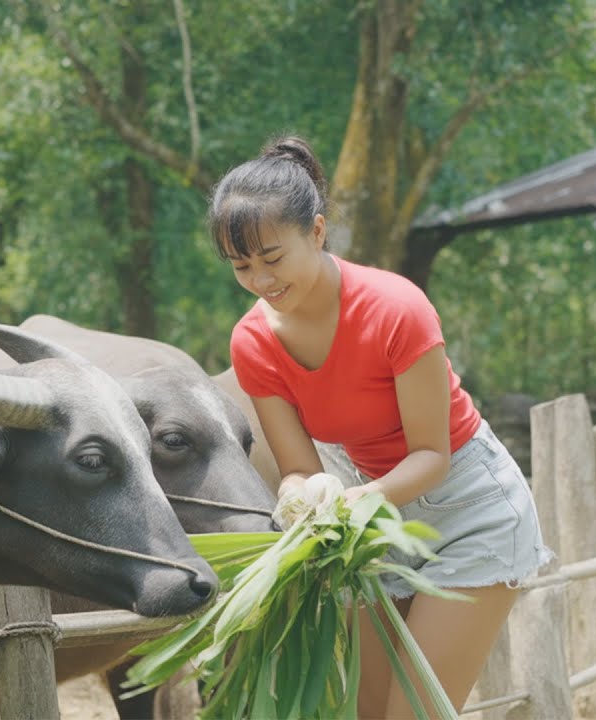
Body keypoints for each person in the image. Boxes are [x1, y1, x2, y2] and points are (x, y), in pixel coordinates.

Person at [211, 135, 554, 718]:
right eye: (242, 266)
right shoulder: (253, 342)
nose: (261, 280)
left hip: (467, 510)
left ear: (317, 233)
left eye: (272, 258)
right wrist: (301, 499)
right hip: (371, 523)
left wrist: (351, 502)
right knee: (365, 712)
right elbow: (298, 467)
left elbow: (431, 456)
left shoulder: (397, 308)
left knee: (411, 714)